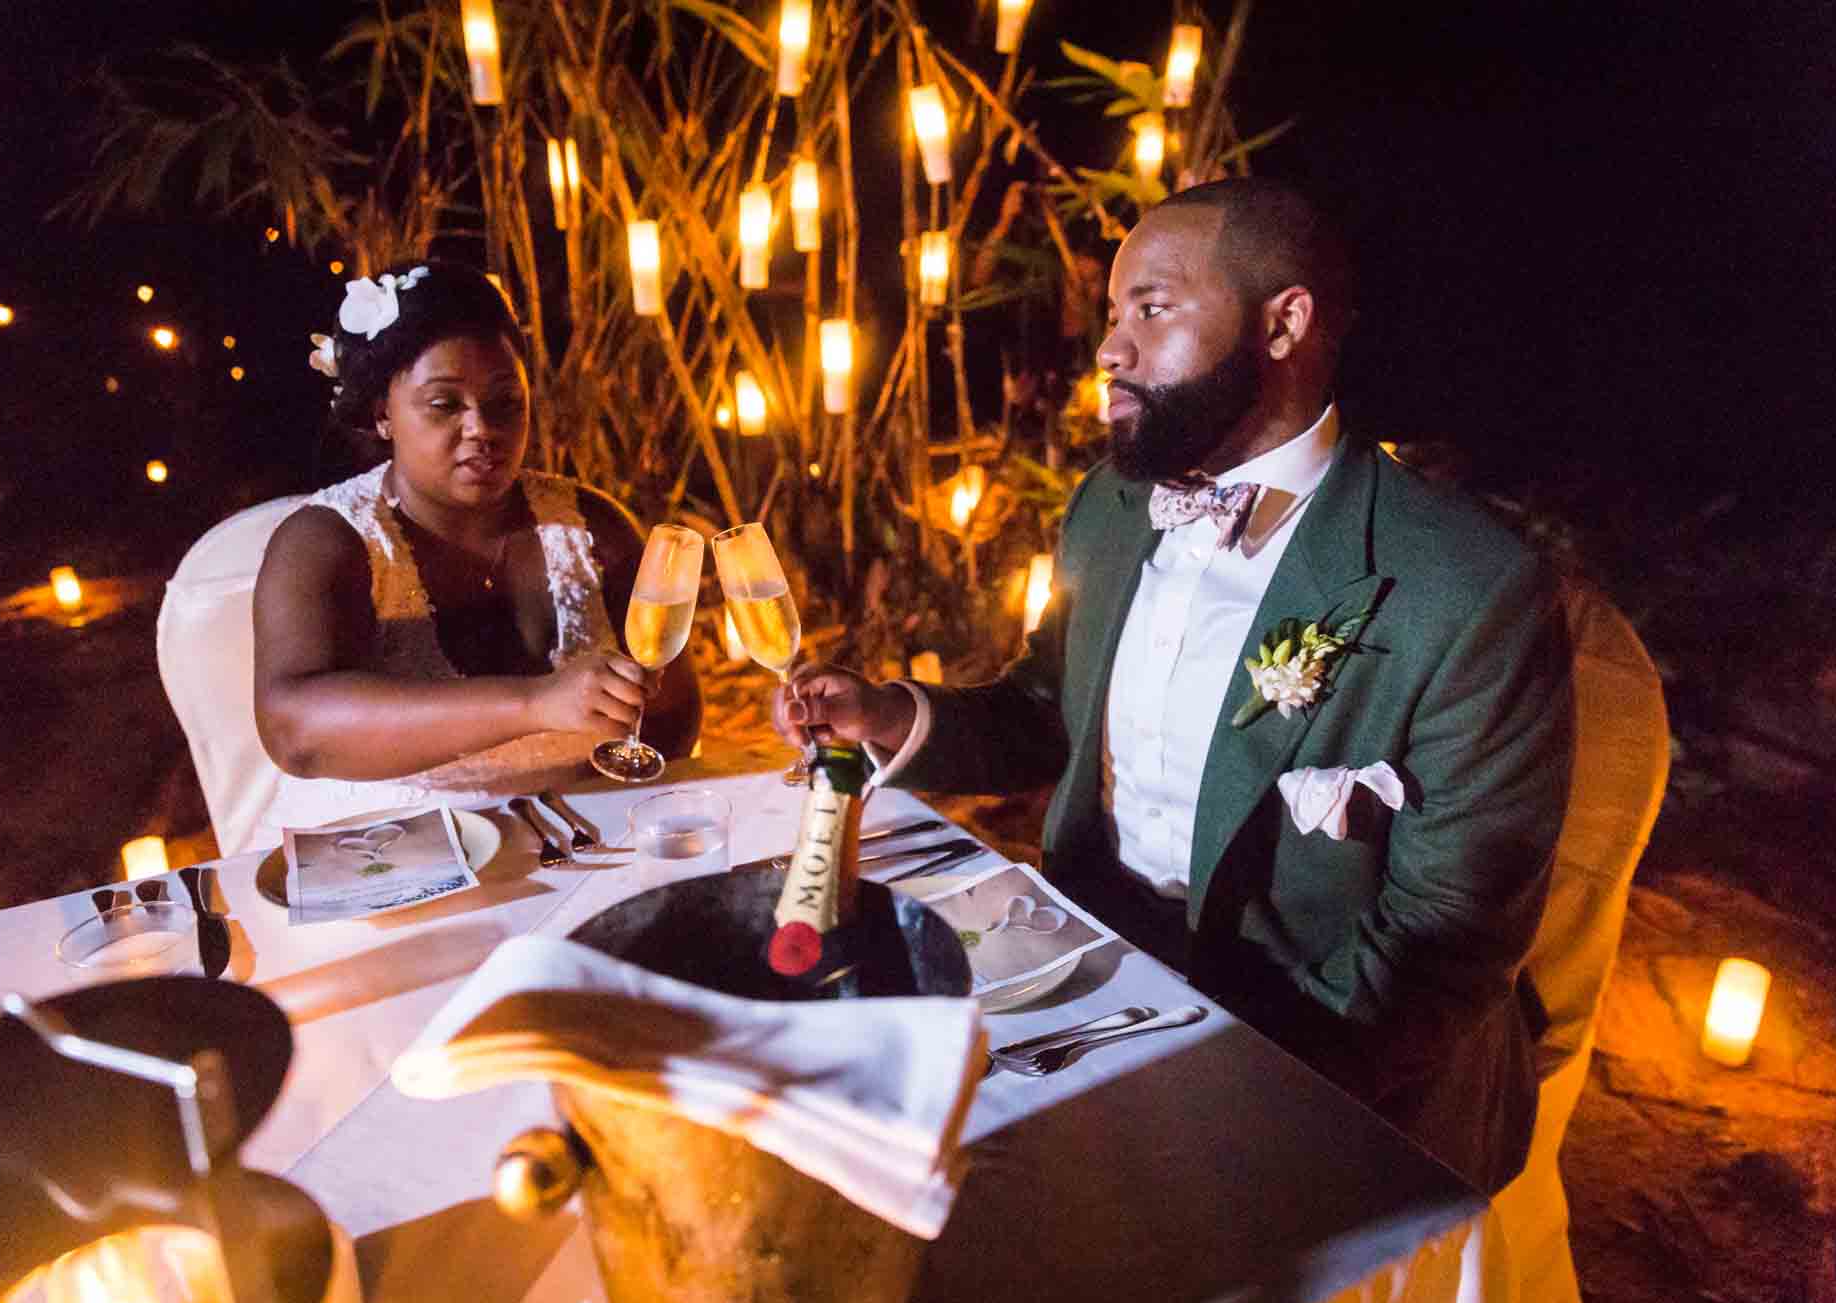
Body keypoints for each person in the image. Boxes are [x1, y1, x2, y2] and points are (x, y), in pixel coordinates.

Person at [779, 179, 1573, 1193]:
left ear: (1282, 322)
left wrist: (1228, 1086)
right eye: (1112, 316)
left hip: (1334, 1058)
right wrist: (888, 714)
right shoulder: (1111, 508)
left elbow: (1441, 944)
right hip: (1093, 974)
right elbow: (1043, 712)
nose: (1109, 348)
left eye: (1149, 310)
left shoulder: (1462, 589)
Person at [252, 259, 698, 842]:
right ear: (384, 413)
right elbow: (296, 732)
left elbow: (675, 718)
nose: (481, 428)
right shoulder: (326, 541)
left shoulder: (593, 526)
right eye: (444, 405)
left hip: (580, 842)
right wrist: (535, 704)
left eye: (506, 402)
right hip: (390, 860)